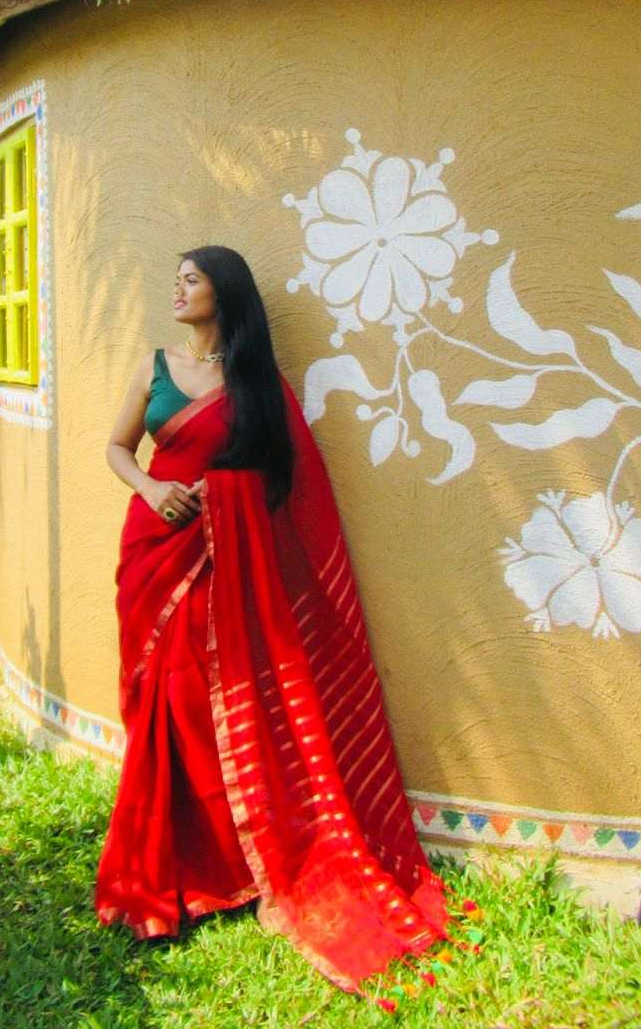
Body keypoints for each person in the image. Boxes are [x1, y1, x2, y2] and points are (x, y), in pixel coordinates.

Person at [95, 245, 451, 991]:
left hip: (228, 571)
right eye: (177, 277)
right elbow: (118, 447)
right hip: (156, 554)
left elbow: (288, 483)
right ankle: (171, 870)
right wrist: (153, 491)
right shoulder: (156, 365)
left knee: (204, 704)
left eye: (189, 279)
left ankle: (234, 861)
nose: (178, 288)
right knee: (161, 703)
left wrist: (229, 507)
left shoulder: (259, 385)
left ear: (223, 293)